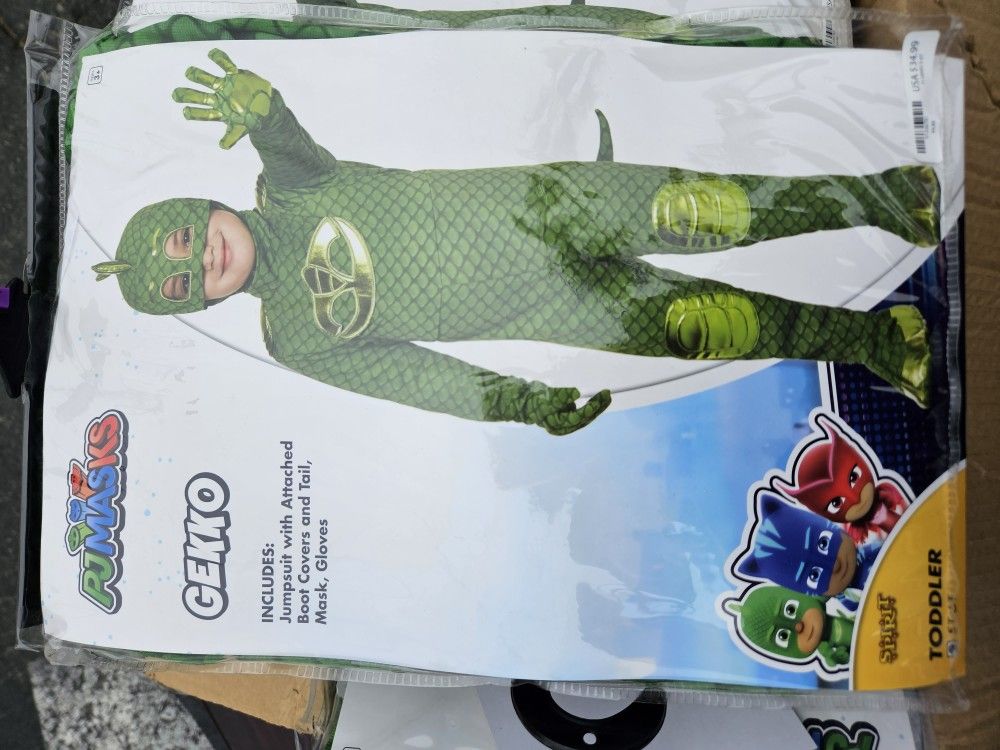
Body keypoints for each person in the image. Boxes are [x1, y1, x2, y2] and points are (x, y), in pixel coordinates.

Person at [94, 49, 938, 435]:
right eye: (181, 283)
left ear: (202, 203)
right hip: (570, 308)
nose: (199, 260)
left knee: (717, 211)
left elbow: (283, 136)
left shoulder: (291, 187)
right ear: (196, 304)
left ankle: (887, 196)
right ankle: (877, 340)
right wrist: (518, 404)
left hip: (564, 205)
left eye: (184, 237)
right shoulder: (296, 337)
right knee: (716, 327)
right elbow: (415, 378)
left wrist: (261, 108)